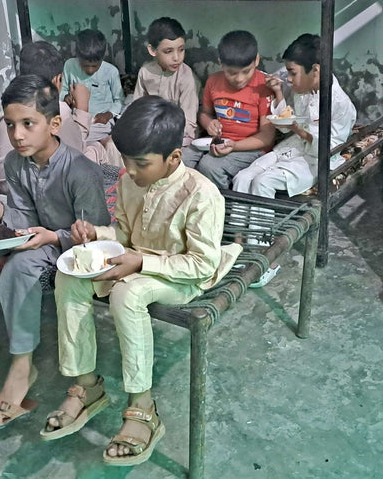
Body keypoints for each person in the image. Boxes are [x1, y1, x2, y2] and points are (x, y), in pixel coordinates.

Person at [41, 96, 242, 466]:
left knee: (128, 294)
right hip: (136, 262)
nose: (130, 171)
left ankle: (142, 405)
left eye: (140, 163)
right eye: (126, 161)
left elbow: (200, 263)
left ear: (174, 159)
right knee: (68, 277)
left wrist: (140, 263)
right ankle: (87, 387)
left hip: (184, 276)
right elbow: (124, 233)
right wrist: (96, 233)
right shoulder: (131, 182)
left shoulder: (202, 195)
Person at [0, 74, 109, 427]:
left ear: (54, 123)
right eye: (11, 125)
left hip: (69, 247)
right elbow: (24, 218)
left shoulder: (79, 170)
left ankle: (21, 366)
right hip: (33, 237)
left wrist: (52, 237)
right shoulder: (16, 163)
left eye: (28, 124)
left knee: (21, 266)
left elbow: (96, 236)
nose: (18, 135)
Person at [232, 33, 358, 287]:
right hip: (293, 148)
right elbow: (288, 120)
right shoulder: (303, 88)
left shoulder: (339, 104)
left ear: (316, 70)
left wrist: (299, 130)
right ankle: (237, 248)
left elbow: (327, 148)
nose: (289, 79)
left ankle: (266, 259)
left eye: (293, 73)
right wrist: (279, 92)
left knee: (263, 182)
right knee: (243, 176)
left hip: (317, 159)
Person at [0, 41, 106, 195]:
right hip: (41, 190)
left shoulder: (11, 106)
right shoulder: (60, 110)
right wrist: (82, 109)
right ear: (57, 79)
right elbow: (75, 151)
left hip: (2, 184)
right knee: (97, 148)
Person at [182, 30, 276, 188]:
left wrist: (234, 146)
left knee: (209, 166)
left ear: (257, 60)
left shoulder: (263, 87)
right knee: (182, 160)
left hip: (252, 148)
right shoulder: (213, 82)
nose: (239, 79)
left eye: (246, 71)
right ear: (220, 63)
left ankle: (221, 205)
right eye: (232, 73)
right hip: (218, 142)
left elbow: (267, 137)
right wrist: (209, 123)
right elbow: (204, 113)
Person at [130, 17, 199, 146]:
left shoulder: (186, 76)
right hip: (150, 130)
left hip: (179, 135)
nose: (177, 58)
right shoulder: (145, 72)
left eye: (181, 49)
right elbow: (137, 107)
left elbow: (189, 122)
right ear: (152, 50)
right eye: (168, 51)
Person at [59, 29, 124, 143]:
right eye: (85, 66)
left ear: (103, 57)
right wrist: (66, 97)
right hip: (76, 119)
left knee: (77, 138)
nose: (90, 70)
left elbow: (119, 101)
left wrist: (108, 115)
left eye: (95, 66)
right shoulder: (69, 66)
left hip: (100, 122)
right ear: (78, 56)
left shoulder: (111, 71)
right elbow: (62, 90)